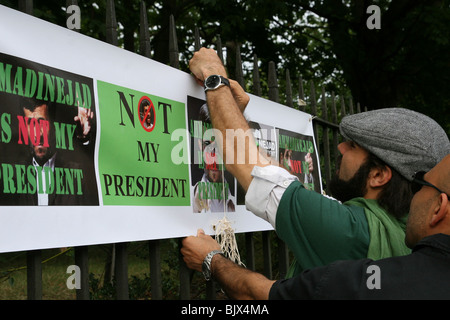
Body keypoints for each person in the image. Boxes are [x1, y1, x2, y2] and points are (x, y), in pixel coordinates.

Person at [188, 47, 450, 277]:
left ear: (379, 176)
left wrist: (214, 75)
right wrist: (235, 114)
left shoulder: (354, 231)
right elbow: (275, 177)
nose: (340, 147)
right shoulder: (410, 231)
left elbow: (249, 166)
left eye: (353, 146)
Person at [181, 154, 450, 299]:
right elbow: (286, 186)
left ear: (439, 207)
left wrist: (210, 259)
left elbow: (255, 294)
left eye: (354, 146)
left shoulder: (355, 256)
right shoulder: (394, 227)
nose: (341, 147)